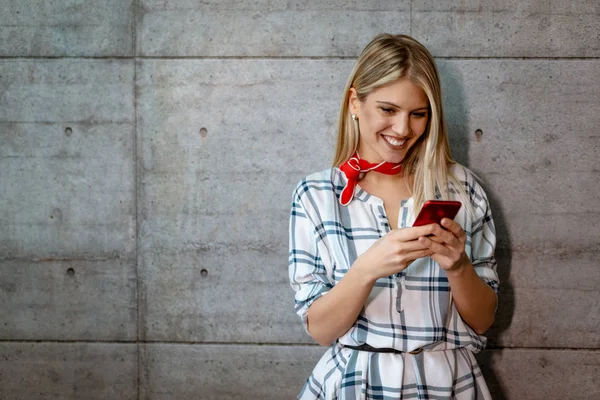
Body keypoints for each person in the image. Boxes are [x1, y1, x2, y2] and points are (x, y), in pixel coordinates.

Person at [288, 34, 499, 399]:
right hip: (355, 384)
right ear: (355, 102)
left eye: (418, 114)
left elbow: (484, 319)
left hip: (448, 383)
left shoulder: (462, 188)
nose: (403, 130)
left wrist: (458, 266)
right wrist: (368, 268)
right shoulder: (316, 196)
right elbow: (321, 331)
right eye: (388, 110)